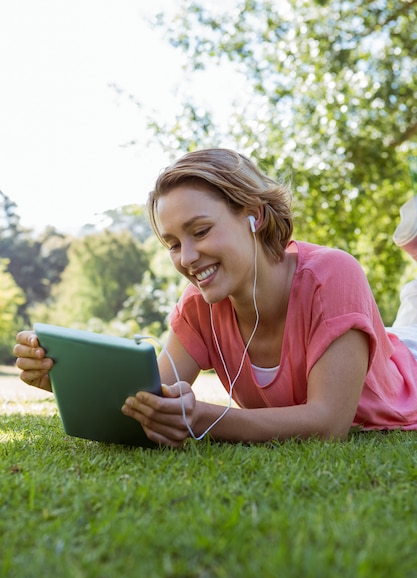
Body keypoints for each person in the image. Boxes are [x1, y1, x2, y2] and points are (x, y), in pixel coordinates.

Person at [14, 149, 417, 447]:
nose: (187, 258)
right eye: (173, 243)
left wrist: (203, 418)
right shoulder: (199, 306)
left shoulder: (333, 275)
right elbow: (153, 398)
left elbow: (328, 423)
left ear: (253, 215)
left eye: (201, 231)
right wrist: (64, 378)